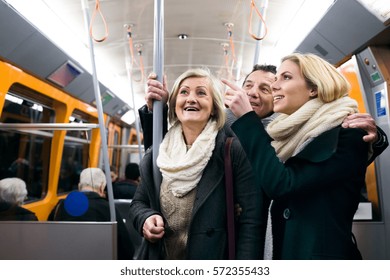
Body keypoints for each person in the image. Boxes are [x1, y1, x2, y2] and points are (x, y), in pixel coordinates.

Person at [224, 52, 381, 259]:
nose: (274, 86)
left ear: (314, 88)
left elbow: (282, 183)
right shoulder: (287, 134)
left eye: (285, 77)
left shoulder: (346, 132)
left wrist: (246, 119)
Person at [129, 68, 265, 259]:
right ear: (175, 104)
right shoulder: (159, 153)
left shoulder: (231, 151)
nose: (191, 98)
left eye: (201, 93)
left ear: (213, 108)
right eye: (184, 92)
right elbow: (139, 203)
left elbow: (251, 221)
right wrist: (145, 219)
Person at [140, 64, 388, 156]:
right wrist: (157, 110)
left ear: (278, 96)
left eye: (265, 88)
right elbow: (170, 148)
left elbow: (330, 157)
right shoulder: (223, 123)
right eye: (247, 85)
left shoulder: (296, 128)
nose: (252, 93)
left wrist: (375, 139)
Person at [48, 167, 133, 260]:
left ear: (79, 186)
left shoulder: (61, 206)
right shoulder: (108, 209)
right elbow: (127, 249)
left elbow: (48, 236)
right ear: (101, 187)